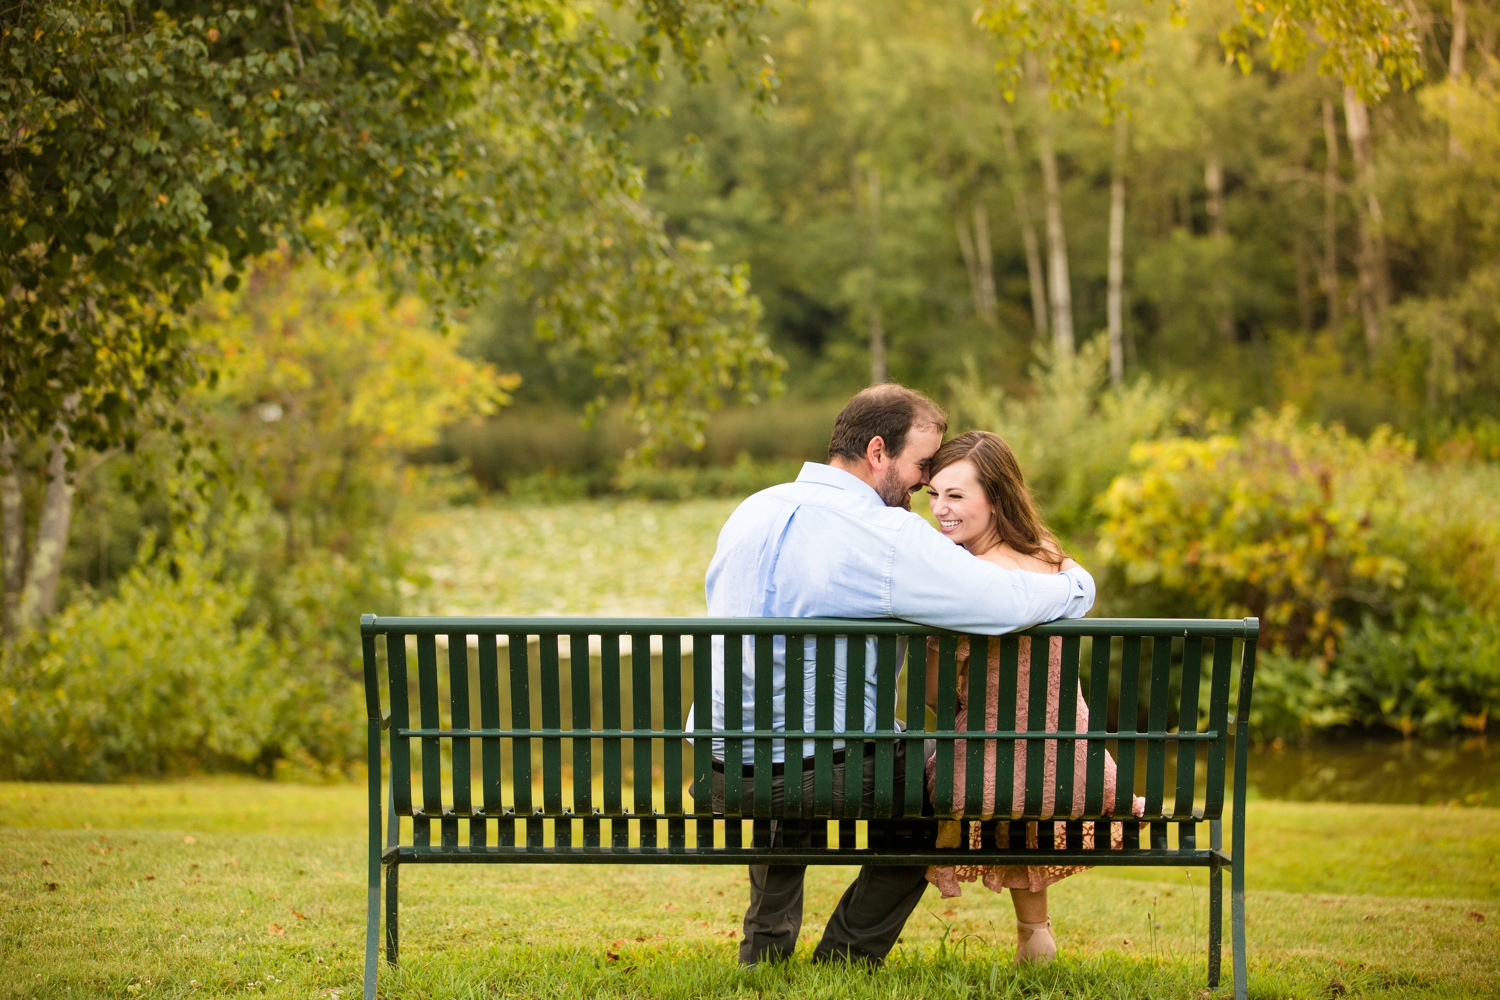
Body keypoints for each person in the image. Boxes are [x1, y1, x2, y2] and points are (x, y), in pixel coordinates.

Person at [693, 385, 1097, 967]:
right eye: (921, 466)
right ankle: (847, 958)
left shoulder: (753, 508)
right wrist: (1075, 583)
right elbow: (1004, 603)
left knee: (793, 752)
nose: (922, 483)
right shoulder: (884, 533)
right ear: (879, 452)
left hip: (723, 768)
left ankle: (765, 952)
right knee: (938, 780)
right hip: (811, 770)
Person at [921, 430, 1145, 966]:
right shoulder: (1052, 561)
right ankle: (1034, 932)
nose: (940, 510)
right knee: (1020, 758)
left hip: (986, 777)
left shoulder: (963, 577)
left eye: (956, 496)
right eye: (932, 495)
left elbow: (933, 698)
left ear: (996, 497)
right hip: (1083, 772)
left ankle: (858, 942)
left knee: (919, 764)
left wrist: (933, 649)